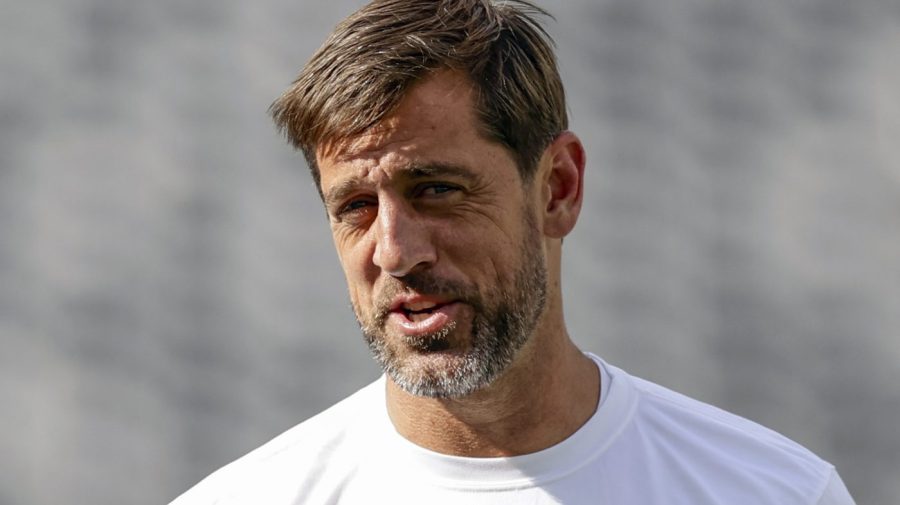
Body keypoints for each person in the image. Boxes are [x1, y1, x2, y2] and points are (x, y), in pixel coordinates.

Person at [172, 1, 855, 503]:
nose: (396, 251)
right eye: (355, 207)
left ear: (557, 187)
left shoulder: (774, 492)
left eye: (436, 188)